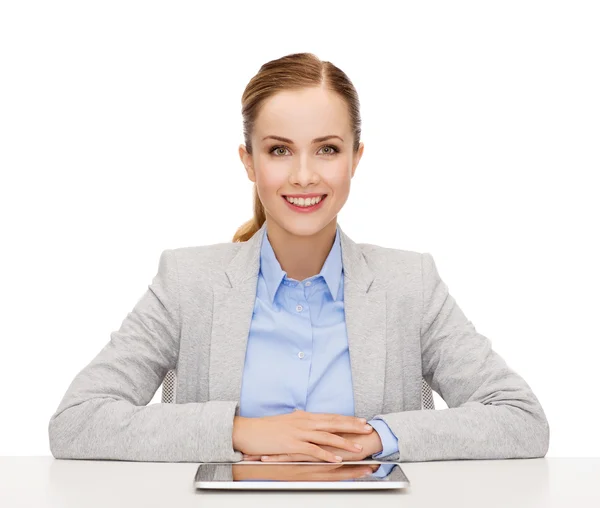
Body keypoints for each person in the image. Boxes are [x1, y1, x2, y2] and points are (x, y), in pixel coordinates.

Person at [48, 52, 550, 464]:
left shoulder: (410, 285)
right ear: (249, 161)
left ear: (356, 157)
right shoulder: (186, 282)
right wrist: (242, 431)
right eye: (280, 150)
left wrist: (376, 437)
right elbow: (77, 421)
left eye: (328, 150)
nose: (304, 176)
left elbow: (521, 420)